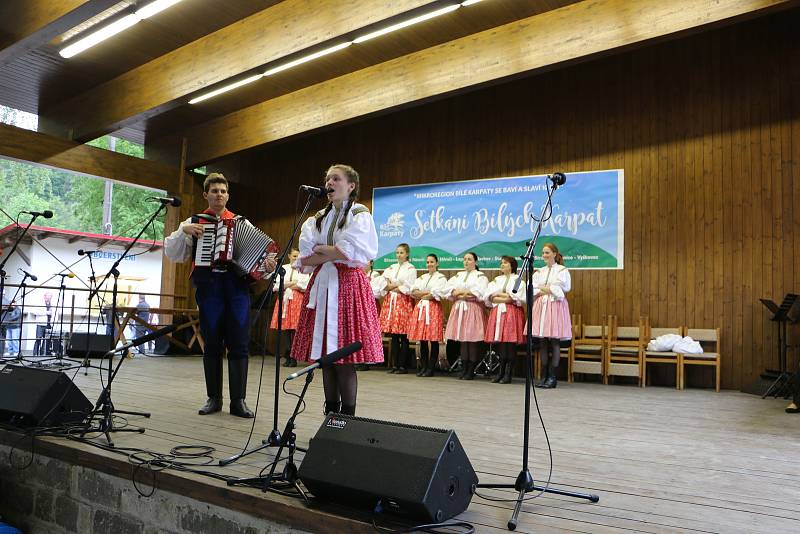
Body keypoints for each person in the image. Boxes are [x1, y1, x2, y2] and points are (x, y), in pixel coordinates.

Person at [164, 173, 277, 418]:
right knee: (212, 343)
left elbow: (259, 259)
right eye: (214, 191)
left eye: (223, 191)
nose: (219, 195)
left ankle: (239, 401)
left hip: (236, 287)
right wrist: (184, 230)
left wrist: (267, 267)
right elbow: (173, 253)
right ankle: (213, 398)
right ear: (206, 194)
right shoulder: (194, 221)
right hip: (209, 286)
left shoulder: (241, 223)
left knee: (239, 343)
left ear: (228, 195)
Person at [291, 164, 383, 416]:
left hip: (348, 287)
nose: (329, 182)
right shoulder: (317, 218)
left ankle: (348, 419)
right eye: (327, 178)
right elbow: (307, 258)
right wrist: (329, 252)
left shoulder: (360, 215)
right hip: (323, 286)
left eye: (336, 178)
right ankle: (330, 416)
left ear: (351, 186)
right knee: (327, 362)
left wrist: (325, 251)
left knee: (344, 360)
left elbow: (348, 251)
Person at [529, 243, 572, 389]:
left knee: (554, 341)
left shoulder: (562, 270)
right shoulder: (539, 271)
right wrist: (547, 289)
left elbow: (562, 289)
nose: (544, 255)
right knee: (542, 342)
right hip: (541, 306)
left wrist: (545, 289)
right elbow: (532, 287)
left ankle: (552, 377)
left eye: (547, 252)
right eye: (543, 253)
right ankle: (543, 375)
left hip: (555, 306)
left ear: (554, 253)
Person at [442, 252, 488, 380]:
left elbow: (479, 292)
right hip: (459, 308)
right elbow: (448, 289)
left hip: (472, 309)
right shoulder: (459, 275)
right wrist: (461, 293)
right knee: (463, 340)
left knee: (471, 339)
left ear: (475, 262)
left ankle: (471, 369)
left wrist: (461, 293)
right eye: (465, 259)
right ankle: (464, 367)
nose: (466, 262)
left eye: (469, 259)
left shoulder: (480, 276)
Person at [376, 243, 417, 374]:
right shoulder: (391, 267)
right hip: (391, 302)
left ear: (407, 254)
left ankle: (403, 365)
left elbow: (409, 286)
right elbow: (383, 283)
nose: (399, 255)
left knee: (403, 336)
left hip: (403, 302)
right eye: (397, 253)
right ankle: (394, 365)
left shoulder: (411, 269)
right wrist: (395, 285)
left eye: (401, 253)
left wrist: (393, 286)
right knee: (393, 335)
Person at [484, 256, 526, 384]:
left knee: (510, 344)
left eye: (505, 263)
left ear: (512, 265)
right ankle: (500, 372)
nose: (502, 265)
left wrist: (500, 295)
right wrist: (504, 296)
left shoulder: (518, 280)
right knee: (501, 344)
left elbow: (515, 297)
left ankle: (508, 374)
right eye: (501, 263)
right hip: (498, 313)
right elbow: (490, 297)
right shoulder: (497, 280)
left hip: (512, 313)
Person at [407, 254, 447, 377]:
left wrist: (423, 294)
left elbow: (436, 294)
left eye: (432, 262)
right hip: (421, 309)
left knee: (433, 339)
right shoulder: (422, 277)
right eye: (428, 262)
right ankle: (424, 367)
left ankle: (431, 368)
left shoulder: (441, 278)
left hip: (433, 309)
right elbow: (413, 291)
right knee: (422, 339)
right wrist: (426, 293)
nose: (429, 264)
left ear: (437, 263)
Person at [269, 248, 309, 368]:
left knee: (295, 329)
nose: (296, 258)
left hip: (297, 300)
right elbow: (276, 285)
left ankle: (294, 356)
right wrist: (293, 283)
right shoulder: (283, 268)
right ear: (289, 256)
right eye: (294, 256)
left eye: (298, 256)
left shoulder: (304, 269)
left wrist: (288, 284)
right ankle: (287, 354)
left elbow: (304, 285)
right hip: (284, 300)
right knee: (285, 329)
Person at [34, 291, 55, 356]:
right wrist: (46, 312)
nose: (49, 298)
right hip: (40, 324)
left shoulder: (52, 304)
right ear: (44, 296)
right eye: (48, 296)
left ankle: (42, 353)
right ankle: (35, 354)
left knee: (46, 340)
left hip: (48, 324)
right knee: (38, 339)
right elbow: (35, 312)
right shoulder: (39, 303)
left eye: (50, 296)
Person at [1, 292, 21, 357]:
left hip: (15, 327)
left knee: (15, 339)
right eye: (11, 303)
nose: (12, 304)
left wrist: (7, 320)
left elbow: (16, 317)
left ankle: (16, 352)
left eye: (13, 303)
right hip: (9, 326)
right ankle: (10, 351)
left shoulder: (18, 309)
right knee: (9, 340)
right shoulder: (9, 309)